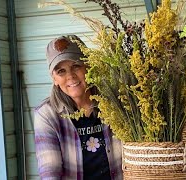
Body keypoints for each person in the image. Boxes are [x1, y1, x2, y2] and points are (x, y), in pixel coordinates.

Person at [34, 35, 123, 180]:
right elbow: (49, 171)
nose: (70, 76)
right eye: (61, 71)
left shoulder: (115, 102)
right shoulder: (47, 115)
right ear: (54, 79)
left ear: (88, 66)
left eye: (76, 66)